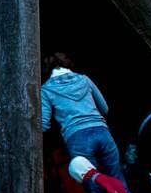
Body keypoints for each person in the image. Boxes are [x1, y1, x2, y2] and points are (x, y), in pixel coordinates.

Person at [38, 51, 126, 183]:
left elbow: (43, 125)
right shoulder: (85, 79)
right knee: (117, 180)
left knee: (94, 186)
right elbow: (105, 109)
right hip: (101, 132)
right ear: (67, 64)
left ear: (46, 70)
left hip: (77, 139)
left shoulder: (46, 90)